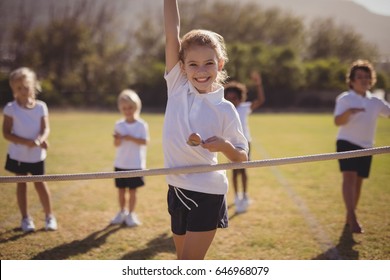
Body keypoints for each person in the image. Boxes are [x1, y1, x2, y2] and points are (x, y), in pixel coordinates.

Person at [163, 0, 248, 259]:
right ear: (182, 66)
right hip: (175, 187)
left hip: (206, 192)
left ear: (220, 64)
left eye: (208, 63)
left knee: (190, 263)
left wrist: (223, 145)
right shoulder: (177, 86)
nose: (201, 71)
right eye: (193, 64)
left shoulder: (225, 109)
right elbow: (171, 33)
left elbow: (242, 158)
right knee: (182, 262)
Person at [334, 59, 390, 234]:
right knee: (349, 179)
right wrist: (350, 112)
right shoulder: (345, 98)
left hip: (367, 147)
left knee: (358, 183)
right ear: (352, 80)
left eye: (367, 76)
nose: (364, 79)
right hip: (346, 143)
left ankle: (349, 216)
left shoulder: (376, 101)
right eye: (359, 76)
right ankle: (353, 217)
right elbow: (337, 121)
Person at [2, 67, 57, 232]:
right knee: (22, 184)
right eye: (18, 88)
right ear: (13, 90)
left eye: (26, 87)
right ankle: (26, 219)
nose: (23, 91)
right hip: (18, 155)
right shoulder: (11, 108)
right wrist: (25, 142)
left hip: (36, 155)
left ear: (33, 86)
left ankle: (49, 217)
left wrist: (40, 140)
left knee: (40, 184)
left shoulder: (41, 107)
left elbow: (45, 128)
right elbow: (6, 133)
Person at [224, 71, 265, 213]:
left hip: (246, 142)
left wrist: (258, 84)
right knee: (235, 172)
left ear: (240, 98)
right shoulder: (226, 110)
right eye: (228, 98)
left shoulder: (244, 108)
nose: (232, 101)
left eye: (235, 98)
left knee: (244, 171)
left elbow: (260, 100)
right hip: (231, 144)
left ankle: (245, 195)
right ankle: (236, 196)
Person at [110, 89, 149, 227]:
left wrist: (130, 138)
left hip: (136, 164)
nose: (128, 110)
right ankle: (122, 212)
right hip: (121, 163)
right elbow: (116, 145)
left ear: (136, 107)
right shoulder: (119, 124)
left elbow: (145, 142)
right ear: (121, 109)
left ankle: (131, 214)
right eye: (124, 108)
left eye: (130, 108)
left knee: (133, 191)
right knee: (121, 190)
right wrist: (118, 139)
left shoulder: (141, 125)